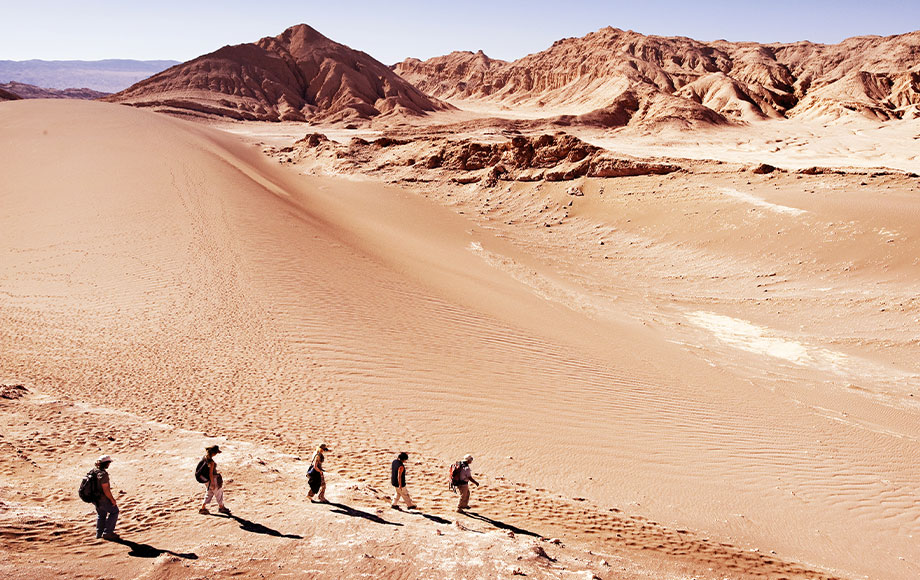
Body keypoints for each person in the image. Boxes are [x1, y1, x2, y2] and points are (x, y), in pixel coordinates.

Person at [92, 455, 119, 540]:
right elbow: (106, 489)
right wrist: (112, 499)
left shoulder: (93, 471)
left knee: (101, 514)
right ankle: (108, 533)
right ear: (106, 464)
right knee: (114, 511)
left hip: (94, 498)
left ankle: (99, 534)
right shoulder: (103, 474)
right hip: (102, 498)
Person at [199, 445, 231, 515]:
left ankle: (203, 508)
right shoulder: (211, 462)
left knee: (209, 493)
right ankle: (221, 507)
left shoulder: (205, 457)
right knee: (219, 493)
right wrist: (212, 483)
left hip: (206, 480)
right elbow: (211, 473)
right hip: (212, 479)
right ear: (214, 453)